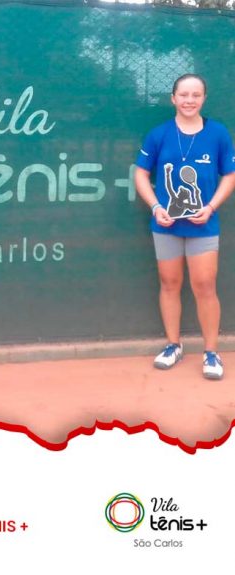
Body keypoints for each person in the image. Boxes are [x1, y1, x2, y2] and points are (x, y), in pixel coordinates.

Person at [135, 73, 235, 380]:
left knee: (204, 285)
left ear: (204, 98)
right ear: (173, 99)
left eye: (196, 95)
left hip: (204, 225)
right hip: (165, 226)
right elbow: (141, 174)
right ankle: (173, 345)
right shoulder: (159, 134)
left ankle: (211, 352)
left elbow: (230, 176)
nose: (189, 100)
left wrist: (210, 207)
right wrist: (156, 207)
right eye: (184, 95)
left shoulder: (218, 133)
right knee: (169, 283)